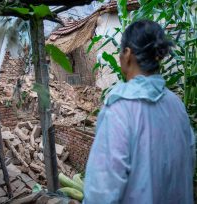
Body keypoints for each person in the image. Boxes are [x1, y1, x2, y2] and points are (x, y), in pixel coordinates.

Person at [83, 20, 195, 204]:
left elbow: (101, 193)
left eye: (121, 52)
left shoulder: (119, 110)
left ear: (127, 54)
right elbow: (187, 164)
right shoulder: (176, 106)